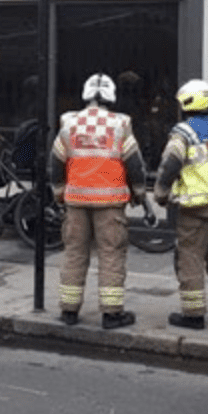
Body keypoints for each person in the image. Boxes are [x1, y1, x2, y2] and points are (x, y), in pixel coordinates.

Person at [50, 73, 146, 329]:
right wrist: (139, 193)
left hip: (76, 201)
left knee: (74, 254)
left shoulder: (69, 123)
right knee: (111, 254)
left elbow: (56, 162)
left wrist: (59, 192)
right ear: (111, 95)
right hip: (110, 202)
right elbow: (135, 165)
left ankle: (69, 311)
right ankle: (112, 314)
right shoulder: (120, 124)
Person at [153, 79, 208, 330]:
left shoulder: (184, 133)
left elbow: (170, 165)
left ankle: (193, 314)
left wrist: (160, 193)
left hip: (196, 209)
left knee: (190, 258)